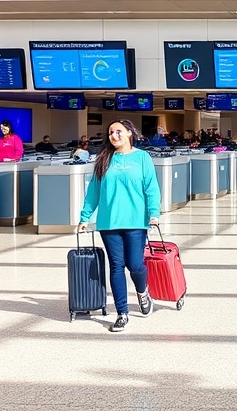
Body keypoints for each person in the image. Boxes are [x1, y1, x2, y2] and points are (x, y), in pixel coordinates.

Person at [78, 120, 160, 333]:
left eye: (118, 131)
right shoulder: (104, 159)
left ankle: (143, 292)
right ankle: (122, 313)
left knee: (135, 265)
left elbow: (151, 187)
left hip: (135, 220)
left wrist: (154, 213)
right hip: (109, 221)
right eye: (111, 132)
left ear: (130, 133)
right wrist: (85, 217)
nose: (114, 135)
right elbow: (93, 191)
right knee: (116, 266)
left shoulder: (142, 157)